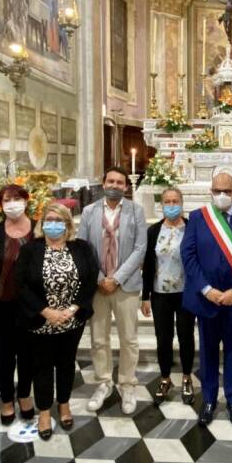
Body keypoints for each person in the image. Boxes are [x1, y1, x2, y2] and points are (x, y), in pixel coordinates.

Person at [181, 170, 232, 426]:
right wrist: (207, 289)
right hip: (207, 299)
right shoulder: (197, 218)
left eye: (227, 191)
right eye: (217, 191)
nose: (222, 195)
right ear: (211, 191)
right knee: (207, 352)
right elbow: (188, 255)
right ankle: (208, 399)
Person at [16, 203, 99, 440]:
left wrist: (73, 309)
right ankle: (44, 411)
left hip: (72, 321)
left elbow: (90, 280)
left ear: (68, 224)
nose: (53, 224)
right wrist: (46, 311)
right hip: (41, 321)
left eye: (59, 220)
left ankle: (64, 404)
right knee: (42, 367)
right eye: (49, 219)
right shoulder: (31, 249)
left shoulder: (81, 248)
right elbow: (21, 285)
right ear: (42, 224)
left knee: (65, 364)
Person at [76, 167, 147, 415]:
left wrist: (116, 278)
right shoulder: (89, 211)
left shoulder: (136, 211)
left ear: (126, 187)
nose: (115, 185)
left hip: (125, 285)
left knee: (129, 339)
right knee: (98, 338)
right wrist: (98, 278)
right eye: (111, 181)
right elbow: (82, 248)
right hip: (97, 286)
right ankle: (103, 382)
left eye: (120, 182)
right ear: (103, 182)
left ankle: (127, 384)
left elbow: (140, 248)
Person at [141, 187, 196, 406]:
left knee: (185, 337)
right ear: (161, 205)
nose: (171, 206)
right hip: (160, 294)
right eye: (167, 202)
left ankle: (186, 377)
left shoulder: (192, 228)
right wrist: (145, 296)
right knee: (163, 338)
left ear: (182, 204)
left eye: (175, 201)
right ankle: (165, 378)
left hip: (186, 293)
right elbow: (148, 263)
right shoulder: (153, 230)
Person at [0, 184, 35, 425]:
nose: (12, 203)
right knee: (5, 354)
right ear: (0, 204)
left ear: (26, 201)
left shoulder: (39, 229)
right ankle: (7, 399)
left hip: (32, 304)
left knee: (27, 353)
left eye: (17, 198)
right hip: (2, 303)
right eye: (7, 199)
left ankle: (24, 395)